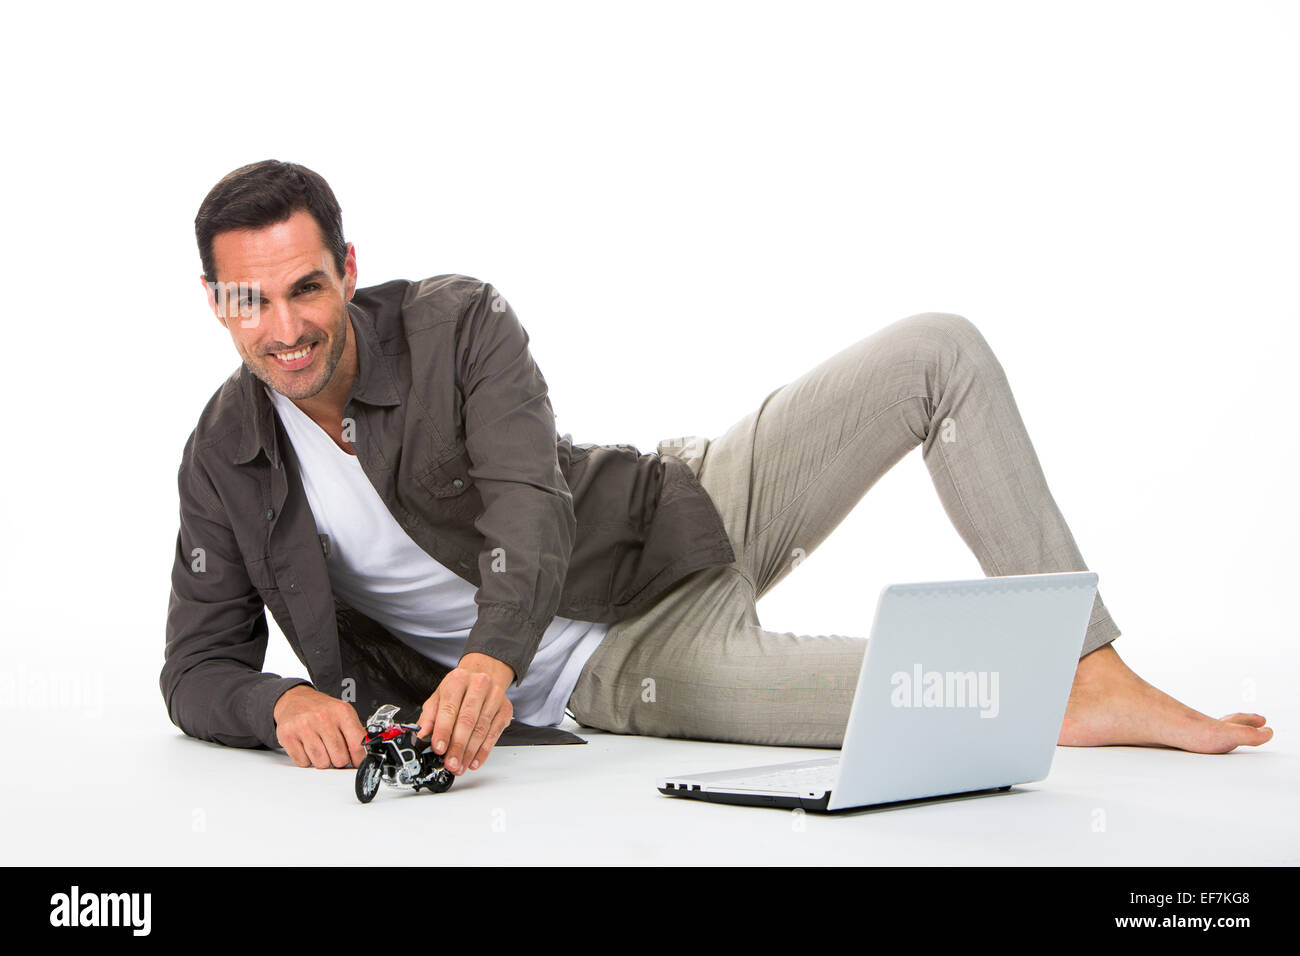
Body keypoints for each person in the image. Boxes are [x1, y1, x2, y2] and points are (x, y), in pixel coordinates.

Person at [164, 159, 1271, 780]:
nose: (286, 327)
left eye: (306, 287)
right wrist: (280, 701)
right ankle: (1046, 692)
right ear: (220, 306)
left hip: (672, 504)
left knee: (938, 350)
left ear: (347, 270)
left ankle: (1091, 661)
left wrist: (488, 660)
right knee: (947, 701)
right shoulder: (225, 459)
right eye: (249, 300)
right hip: (622, 664)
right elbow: (195, 665)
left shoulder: (456, 323)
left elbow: (532, 508)